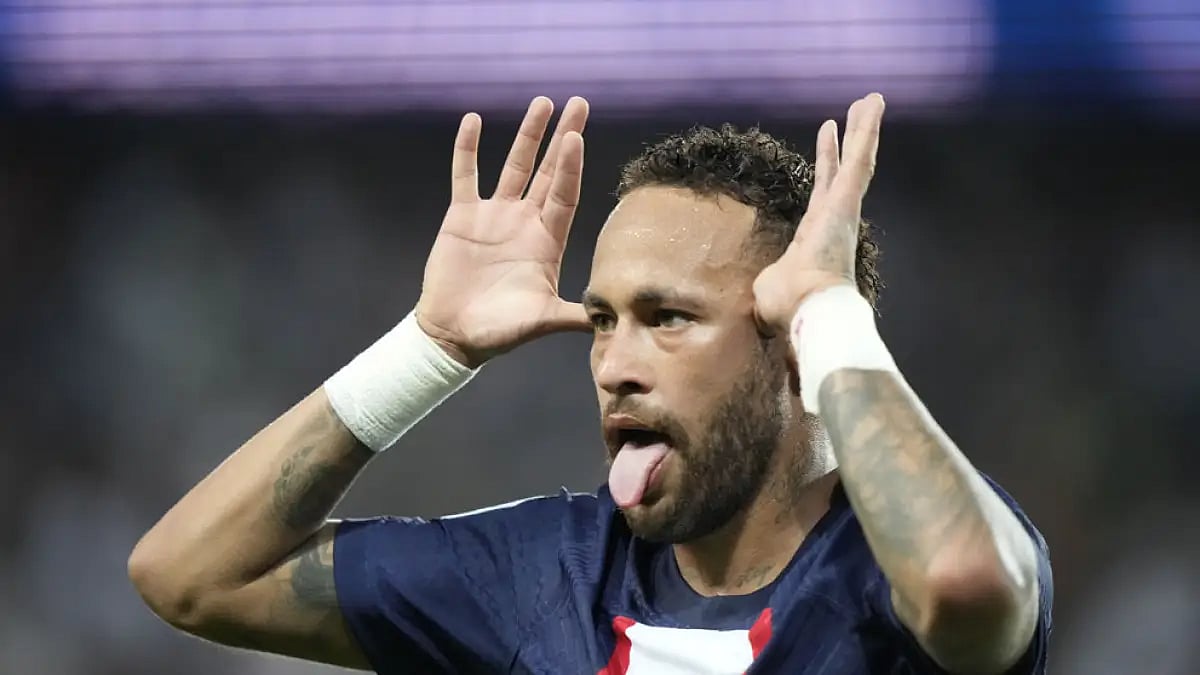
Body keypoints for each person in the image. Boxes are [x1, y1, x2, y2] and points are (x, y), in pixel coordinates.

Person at [128, 94, 1053, 674]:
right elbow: (191, 574)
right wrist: (428, 348)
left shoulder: (892, 571)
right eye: (603, 320)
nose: (614, 363)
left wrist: (831, 314)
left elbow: (964, 584)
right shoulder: (548, 578)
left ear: (790, 348)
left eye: (669, 318)